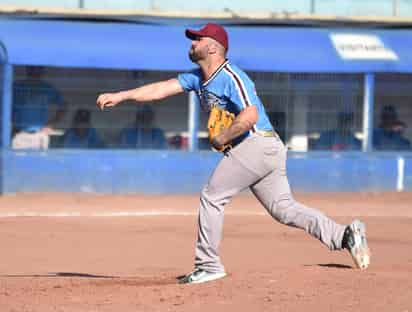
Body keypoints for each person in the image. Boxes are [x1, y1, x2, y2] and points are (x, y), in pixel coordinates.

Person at [96, 23, 370, 284]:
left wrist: (221, 137)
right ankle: (345, 235)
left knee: (212, 196)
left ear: (213, 48)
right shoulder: (197, 78)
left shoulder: (231, 76)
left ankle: (208, 266)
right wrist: (121, 95)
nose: (193, 42)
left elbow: (250, 115)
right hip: (266, 149)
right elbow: (161, 89)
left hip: (257, 144)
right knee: (284, 210)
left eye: (199, 39)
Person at [12, 66, 67, 149]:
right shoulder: (17, 86)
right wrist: (10, 124)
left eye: (38, 69)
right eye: (33, 69)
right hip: (19, 134)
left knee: (40, 161)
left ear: (42, 71)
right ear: (27, 70)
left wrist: (50, 124)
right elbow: (5, 106)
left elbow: (64, 105)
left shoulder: (46, 88)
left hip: (40, 134)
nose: (35, 71)